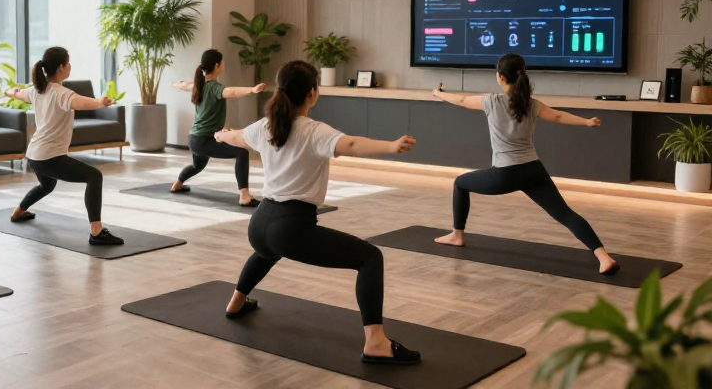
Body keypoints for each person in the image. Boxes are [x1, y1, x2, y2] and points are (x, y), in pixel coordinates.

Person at [214, 60, 421, 365]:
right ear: (312, 93)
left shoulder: (264, 126)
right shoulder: (313, 131)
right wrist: (390, 146)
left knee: (266, 251)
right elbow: (350, 143)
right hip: (291, 228)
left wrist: (220, 135)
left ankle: (236, 301)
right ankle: (376, 342)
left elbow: (235, 137)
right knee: (370, 257)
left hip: (259, 225)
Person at [431, 53, 619, 275]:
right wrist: (586, 122)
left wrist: (437, 94)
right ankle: (603, 257)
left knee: (460, 183)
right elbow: (558, 116)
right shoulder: (531, 104)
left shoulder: (492, 101)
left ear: (500, 77)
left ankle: (457, 235)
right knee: (565, 214)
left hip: (504, 174)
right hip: (532, 170)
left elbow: (462, 100)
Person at [4, 47, 124, 245]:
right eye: (68, 63)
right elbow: (80, 103)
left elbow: (16, 92)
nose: (70, 66)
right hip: (50, 156)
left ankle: (18, 212)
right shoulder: (62, 93)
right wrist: (100, 102)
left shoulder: (37, 89)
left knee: (47, 185)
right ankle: (96, 232)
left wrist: (7, 91)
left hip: (34, 154)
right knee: (94, 176)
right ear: (60, 68)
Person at [170, 49, 266, 206]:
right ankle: (245, 196)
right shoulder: (214, 88)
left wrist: (176, 83)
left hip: (195, 138)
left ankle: (177, 185)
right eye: (223, 62)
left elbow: (184, 85)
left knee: (198, 165)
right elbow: (232, 92)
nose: (224, 64)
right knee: (241, 153)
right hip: (204, 140)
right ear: (216, 65)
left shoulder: (199, 85)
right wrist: (252, 90)